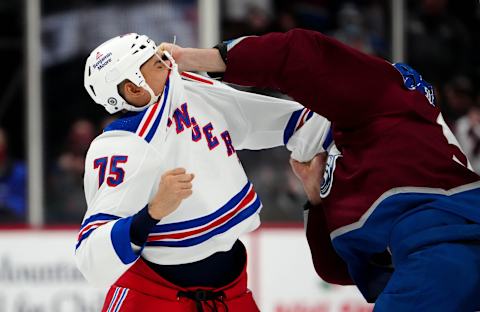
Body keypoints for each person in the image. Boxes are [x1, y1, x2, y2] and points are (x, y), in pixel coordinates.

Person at [161, 28, 480, 311]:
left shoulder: (384, 93)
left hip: (443, 256)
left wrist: (193, 58)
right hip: (439, 265)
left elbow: (299, 54)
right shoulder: (360, 157)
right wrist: (315, 198)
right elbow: (339, 270)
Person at [77, 33, 330, 312]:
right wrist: (152, 214)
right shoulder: (118, 148)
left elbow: (291, 121)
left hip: (230, 295)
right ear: (134, 89)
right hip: (152, 300)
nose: (168, 62)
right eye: (155, 63)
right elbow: (92, 258)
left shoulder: (191, 92)